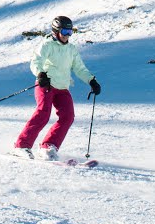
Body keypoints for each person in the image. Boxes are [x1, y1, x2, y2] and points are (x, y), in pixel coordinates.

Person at [13, 15, 101, 160]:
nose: (67, 36)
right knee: (43, 113)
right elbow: (36, 61)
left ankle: (48, 147)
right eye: (65, 32)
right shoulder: (47, 45)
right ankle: (21, 145)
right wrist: (40, 74)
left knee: (68, 117)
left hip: (62, 87)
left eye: (70, 32)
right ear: (56, 31)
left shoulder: (71, 49)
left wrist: (91, 81)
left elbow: (79, 68)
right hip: (46, 85)